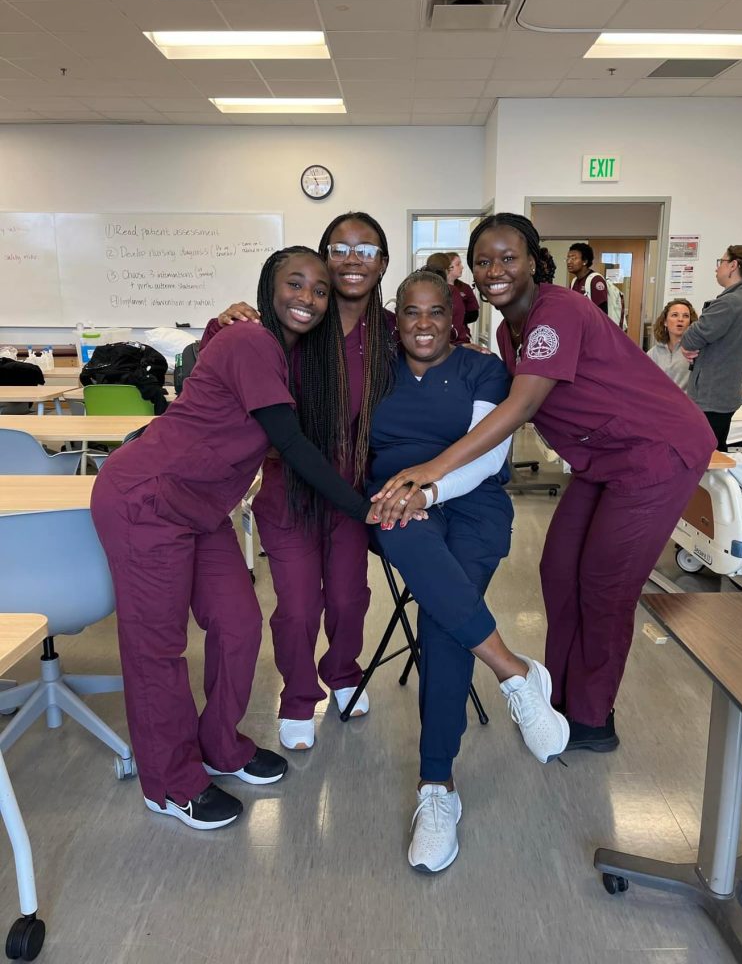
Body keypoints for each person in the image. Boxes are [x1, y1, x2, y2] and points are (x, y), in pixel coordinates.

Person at [374, 214, 716, 755]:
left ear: (533, 260)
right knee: (559, 570)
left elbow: (524, 404)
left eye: (508, 258)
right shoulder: (513, 332)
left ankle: (590, 717)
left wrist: (432, 470)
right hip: (602, 458)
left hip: (656, 451)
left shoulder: (556, 311)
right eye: (483, 261)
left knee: (605, 586)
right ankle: (552, 694)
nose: (494, 271)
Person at [90, 246, 396, 831]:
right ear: (267, 287)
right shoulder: (254, 341)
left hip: (202, 508)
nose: (307, 298)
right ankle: (170, 782)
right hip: (147, 500)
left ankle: (219, 745)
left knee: (238, 623)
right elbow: (294, 444)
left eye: (319, 290)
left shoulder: (282, 350)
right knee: (158, 649)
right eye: (294, 284)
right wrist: (363, 510)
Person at [368, 269, 569, 873]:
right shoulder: (376, 373)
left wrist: (427, 492)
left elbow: (487, 457)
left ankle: (438, 789)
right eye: (410, 312)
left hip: (472, 505)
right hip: (396, 510)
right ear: (394, 317)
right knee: (394, 525)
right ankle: (514, 674)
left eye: (435, 312)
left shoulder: (483, 368)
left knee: (441, 621)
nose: (423, 324)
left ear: (453, 316)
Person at [207, 213, 398, 754]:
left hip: (353, 492)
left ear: (383, 262)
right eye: (340, 247)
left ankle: (341, 672)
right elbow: (223, 362)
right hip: (288, 490)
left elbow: (431, 352)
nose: (352, 258)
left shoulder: (385, 332)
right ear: (322, 256)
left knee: (348, 597)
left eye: (367, 248)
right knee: (296, 605)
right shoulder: (291, 324)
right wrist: (222, 322)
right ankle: (296, 697)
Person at [680, 245, 742, 452]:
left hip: (712, 395)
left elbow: (691, 338)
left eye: (721, 262)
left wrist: (691, 343)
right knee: (715, 451)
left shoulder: (730, 303)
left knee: (707, 456)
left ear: (733, 265)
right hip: (722, 392)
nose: (716, 269)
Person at [647, 299, 698, 391]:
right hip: (659, 403)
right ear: (665, 322)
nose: (680, 319)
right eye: (675, 315)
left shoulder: (695, 351)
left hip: (686, 403)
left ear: (690, 322)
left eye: (686, 316)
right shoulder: (653, 353)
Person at [426, 252, 471, 344]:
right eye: (456, 265)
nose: (462, 267)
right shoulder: (451, 291)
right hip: (453, 343)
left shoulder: (421, 289)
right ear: (447, 270)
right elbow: (458, 318)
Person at [567, 242, 608, 313]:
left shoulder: (596, 280)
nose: (569, 261)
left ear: (585, 261)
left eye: (573, 258)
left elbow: (602, 313)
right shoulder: (574, 281)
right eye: (568, 258)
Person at [446, 250, 480, 327]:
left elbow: (474, 314)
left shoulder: (465, 288)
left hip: (461, 333)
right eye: (458, 264)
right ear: (448, 267)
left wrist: (455, 319)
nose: (462, 267)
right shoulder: (435, 287)